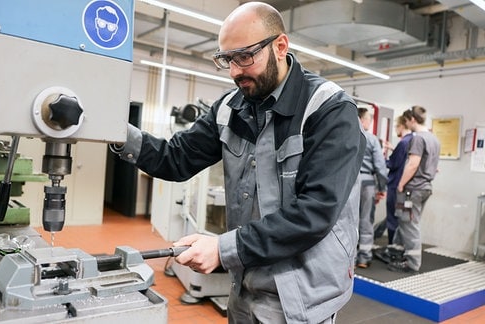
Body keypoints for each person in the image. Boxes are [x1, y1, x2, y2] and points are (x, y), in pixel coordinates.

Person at [111, 2, 365, 323]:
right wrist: (114, 128)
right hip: (244, 285)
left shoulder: (327, 109)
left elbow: (315, 211)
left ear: (280, 46)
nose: (234, 72)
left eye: (244, 57)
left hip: (301, 296)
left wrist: (221, 249)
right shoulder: (230, 108)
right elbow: (174, 159)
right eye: (226, 59)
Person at [388, 106, 440, 273]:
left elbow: (412, 164)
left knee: (409, 224)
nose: (405, 124)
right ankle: (399, 252)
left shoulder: (417, 138)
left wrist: (401, 184)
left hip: (413, 188)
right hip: (425, 187)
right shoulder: (433, 138)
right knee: (408, 222)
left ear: (412, 120)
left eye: (406, 121)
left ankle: (412, 262)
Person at [373, 113, 413, 263]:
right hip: (407, 187)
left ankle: (392, 250)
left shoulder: (403, 143)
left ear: (403, 125)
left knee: (392, 218)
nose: (396, 129)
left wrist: (379, 158)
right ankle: (401, 249)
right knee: (402, 218)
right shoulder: (412, 141)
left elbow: (393, 164)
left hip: (396, 184)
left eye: (397, 126)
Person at [355, 108, 388, 268]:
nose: (370, 122)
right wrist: (382, 187)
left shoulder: (347, 135)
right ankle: (363, 257)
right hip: (367, 181)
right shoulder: (372, 139)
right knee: (366, 219)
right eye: (368, 119)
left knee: (349, 219)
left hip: (349, 181)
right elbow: (380, 167)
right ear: (361, 119)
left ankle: (350, 258)